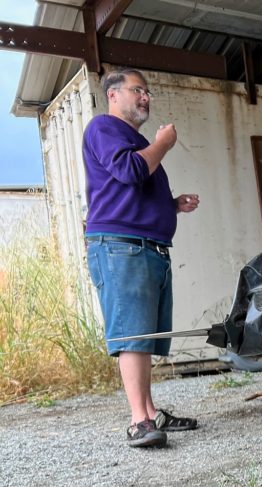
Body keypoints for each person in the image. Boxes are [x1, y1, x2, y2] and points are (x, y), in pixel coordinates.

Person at [82, 68, 201, 448]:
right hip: (121, 245)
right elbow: (130, 171)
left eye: (148, 91)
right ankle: (138, 421)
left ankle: (150, 413)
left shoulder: (133, 140)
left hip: (144, 245)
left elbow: (130, 189)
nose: (146, 96)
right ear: (113, 95)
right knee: (133, 334)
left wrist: (170, 206)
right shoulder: (103, 128)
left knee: (145, 336)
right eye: (138, 90)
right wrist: (163, 144)